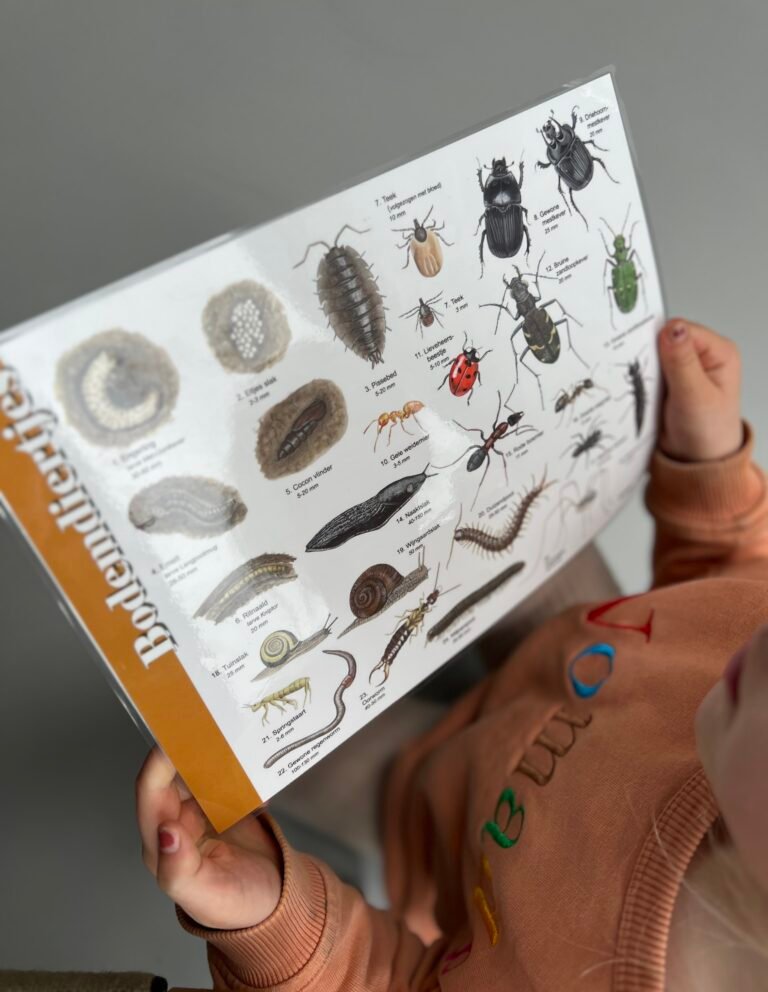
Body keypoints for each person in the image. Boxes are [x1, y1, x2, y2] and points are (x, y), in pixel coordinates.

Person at [136, 318, 768, 990]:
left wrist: (273, 925)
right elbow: (728, 582)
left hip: (423, 802)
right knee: (505, 514)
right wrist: (710, 470)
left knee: (225, 717)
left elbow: (390, 979)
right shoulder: (749, 651)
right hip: (596, 644)